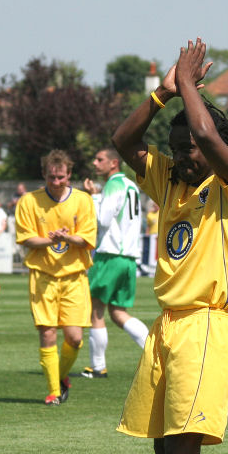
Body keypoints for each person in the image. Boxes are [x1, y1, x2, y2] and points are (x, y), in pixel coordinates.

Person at [113, 38, 228, 454]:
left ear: (220, 148)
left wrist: (189, 89)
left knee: (184, 442)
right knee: (163, 444)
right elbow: (123, 140)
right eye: (174, 147)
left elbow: (203, 129)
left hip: (206, 325)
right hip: (168, 326)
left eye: (188, 148)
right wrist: (161, 95)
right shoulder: (172, 181)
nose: (180, 154)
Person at [15, 149, 96, 405]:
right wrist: (49, 241)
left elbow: (86, 239)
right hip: (43, 276)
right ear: (44, 174)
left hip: (74, 276)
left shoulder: (83, 201)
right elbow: (26, 238)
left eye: (61, 177)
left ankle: (60, 376)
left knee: (75, 338)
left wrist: (67, 238)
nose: (56, 182)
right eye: (52, 177)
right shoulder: (29, 201)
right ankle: (53, 392)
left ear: (69, 175)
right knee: (48, 333)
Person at [81, 148, 149, 379]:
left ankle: (97, 367)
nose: (95, 162)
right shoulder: (131, 185)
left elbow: (103, 219)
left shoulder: (113, 184)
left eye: (99, 159)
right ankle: (154, 353)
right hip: (129, 257)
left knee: (95, 310)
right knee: (118, 312)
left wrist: (93, 196)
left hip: (110, 254)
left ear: (113, 163)